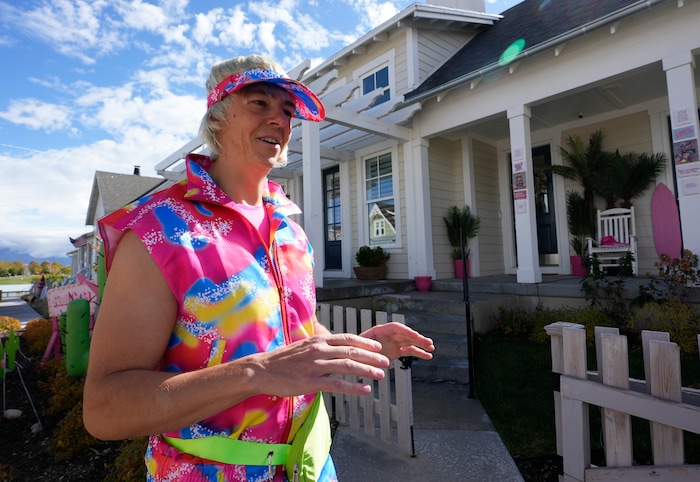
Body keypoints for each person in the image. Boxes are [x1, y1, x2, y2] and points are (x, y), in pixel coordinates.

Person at [83, 54, 434, 482]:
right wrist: (254, 373)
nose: (279, 121)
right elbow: (104, 409)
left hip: (312, 463)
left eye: (287, 111)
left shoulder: (289, 229)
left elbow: (292, 335)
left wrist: (349, 347)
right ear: (218, 117)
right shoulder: (160, 231)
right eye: (259, 104)